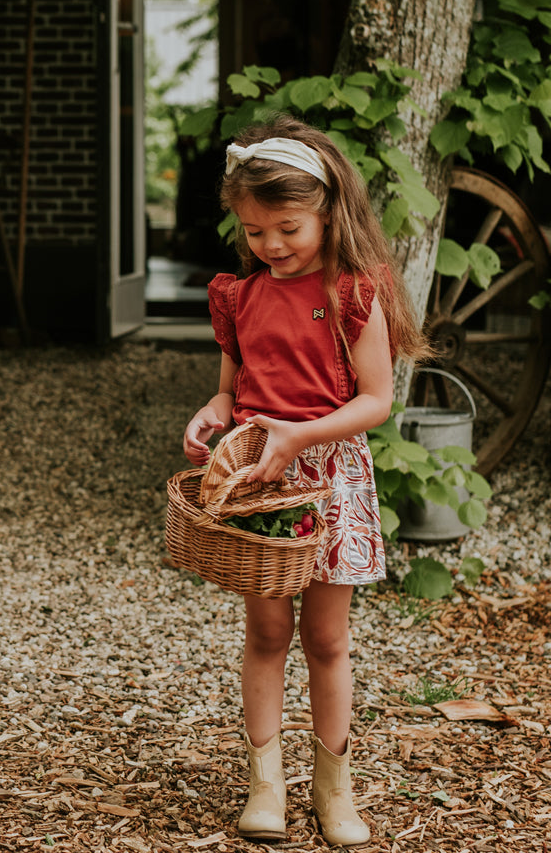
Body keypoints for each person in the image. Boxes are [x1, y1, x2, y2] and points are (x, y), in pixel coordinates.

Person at [182, 114, 431, 845]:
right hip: (264, 477)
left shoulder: (356, 292)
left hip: (329, 478)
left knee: (326, 639)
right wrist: (214, 410)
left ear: (327, 210)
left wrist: (302, 435)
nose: (271, 245)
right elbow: (233, 389)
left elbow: (376, 401)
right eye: (255, 232)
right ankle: (266, 785)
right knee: (265, 630)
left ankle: (334, 788)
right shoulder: (241, 296)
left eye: (287, 227)